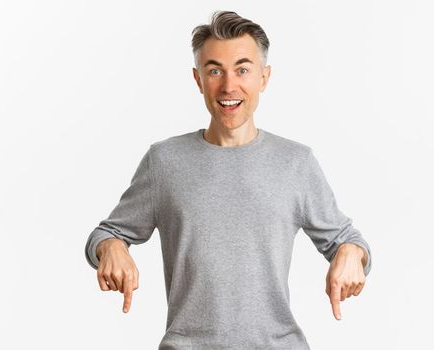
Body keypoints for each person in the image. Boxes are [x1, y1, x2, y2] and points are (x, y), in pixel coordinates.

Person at [84, 10, 373, 349]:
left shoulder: (295, 163)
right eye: (215, 70)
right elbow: (106, 234)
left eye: (242, 69)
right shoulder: (164, 162)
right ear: (198, 80)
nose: (228, 85)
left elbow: (347, 241)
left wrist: (353, 253)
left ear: (263, 78)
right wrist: (112, 247)